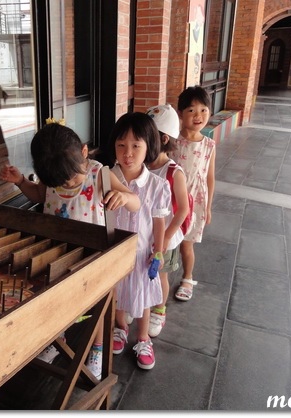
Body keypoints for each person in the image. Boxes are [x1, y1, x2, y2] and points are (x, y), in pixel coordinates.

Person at [0, 122, 140, 379]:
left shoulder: (98, 173)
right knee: (57, 299)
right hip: (58, 251)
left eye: (72, 178)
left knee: (98, 302)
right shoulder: (53, 175)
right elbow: (39, 196)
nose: (67, 183)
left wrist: (125, 198)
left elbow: (135, 202)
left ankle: (97, 348)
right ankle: (58, 340)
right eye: (60, 181)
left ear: (84, 152)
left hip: (93, 253)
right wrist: (20, 181)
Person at [106, 112, 170, 370]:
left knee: (143, 298)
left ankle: (143, 339)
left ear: (149, 146)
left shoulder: (157, 185)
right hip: (114, 251)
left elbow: (159, 221)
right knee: (118, 292)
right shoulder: (106, 177)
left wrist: (159, 250)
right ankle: (120, 327)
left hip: (142, 252)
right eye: (121, 145)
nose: (128, 153)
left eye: (135, 146)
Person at [146, 104, 191, 337]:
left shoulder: (174, 172)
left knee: (160, 275)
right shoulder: (142, 167)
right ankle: (141, 304)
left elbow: (183, 210)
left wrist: (164, 238)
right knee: (143, 272)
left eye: (145, 138)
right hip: (146, 233)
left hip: (167, 237)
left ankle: (159, 311)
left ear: (163, 139)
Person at [169, 86, 216, 301]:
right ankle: (160, 275)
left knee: (187, 244)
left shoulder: (209, 145)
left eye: (203, 110)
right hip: (172, 199)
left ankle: (187, 278)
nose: (198, 116)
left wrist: (208, 207)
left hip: (195, 201)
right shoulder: (171, 141)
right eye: (191, 110)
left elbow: (209, 178)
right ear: (180, 114)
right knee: (167, 238)